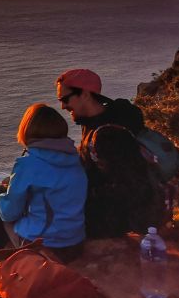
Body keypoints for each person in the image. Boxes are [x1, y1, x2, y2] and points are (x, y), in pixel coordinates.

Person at [0, 104, 87, 263]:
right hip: (74, 243)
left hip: (47, 247)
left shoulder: (29, 164)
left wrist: (8, 201)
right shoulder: (76, 159)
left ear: (27, 130)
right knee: (9, 194)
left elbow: (8, 214)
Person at [55, 68, 165, 237]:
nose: (62, 106)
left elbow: (131, 187)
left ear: (84, 94)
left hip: (118, 223)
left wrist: (79, 193)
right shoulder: (91, 123)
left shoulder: (109, 135)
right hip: (111, 215)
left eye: (65, 99)